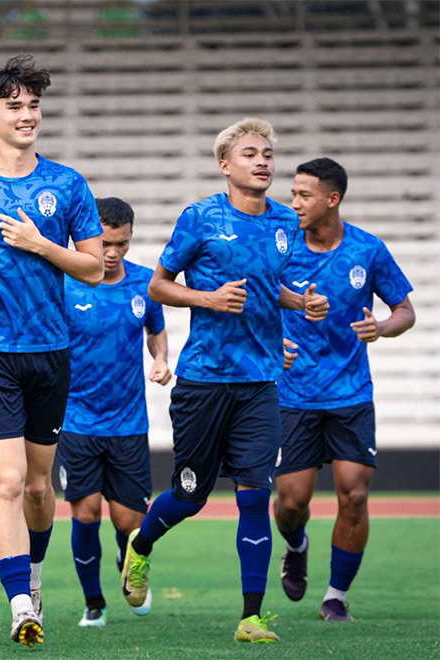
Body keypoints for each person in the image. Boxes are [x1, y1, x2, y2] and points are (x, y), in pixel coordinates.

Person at [120, 117, 329, 644]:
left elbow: (269, 286)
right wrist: (209, 299)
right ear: (224, 165)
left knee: (254, 495)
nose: (263, 161)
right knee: (189, 496)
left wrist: (298, 300)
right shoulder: (200, 218)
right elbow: (158, 287)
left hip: (260, 382)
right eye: (251, 153)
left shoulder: (285, 221)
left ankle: (251, 617)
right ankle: (140, 546)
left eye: (268, 154)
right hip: (203, 381)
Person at [0, 55, 104, 648]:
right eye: (15, 106)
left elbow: (92, 267)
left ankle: (34, 576)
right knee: (6, 481)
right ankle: (18, 606)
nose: (28, 114)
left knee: (39, 487)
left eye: (33, 104)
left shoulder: (66, 184)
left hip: (50, 351)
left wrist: (42, 245)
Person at [273, 158, 415, 622]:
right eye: (292, 193)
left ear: (331, 199)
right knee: (291, 502)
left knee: (353, 494)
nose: (293, 202)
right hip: (293, 394)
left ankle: (335, 596)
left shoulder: (367, 250)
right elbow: (255, 298)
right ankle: (296, 545)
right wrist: (277, 340)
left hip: (351, 393)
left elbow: (404, 311)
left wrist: (383, 327)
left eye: (303, 195)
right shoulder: (281, 244)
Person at [57, 197, 171, 628]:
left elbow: (156, 331)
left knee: (129, 522)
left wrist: (160, 359)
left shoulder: (145, 283)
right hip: (76, 420)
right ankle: (93, 604)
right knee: (85, 512)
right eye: (105, 242)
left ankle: (130, 559)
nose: (111, 252)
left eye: (120, 243)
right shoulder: (66, 284)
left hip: (128, 423)